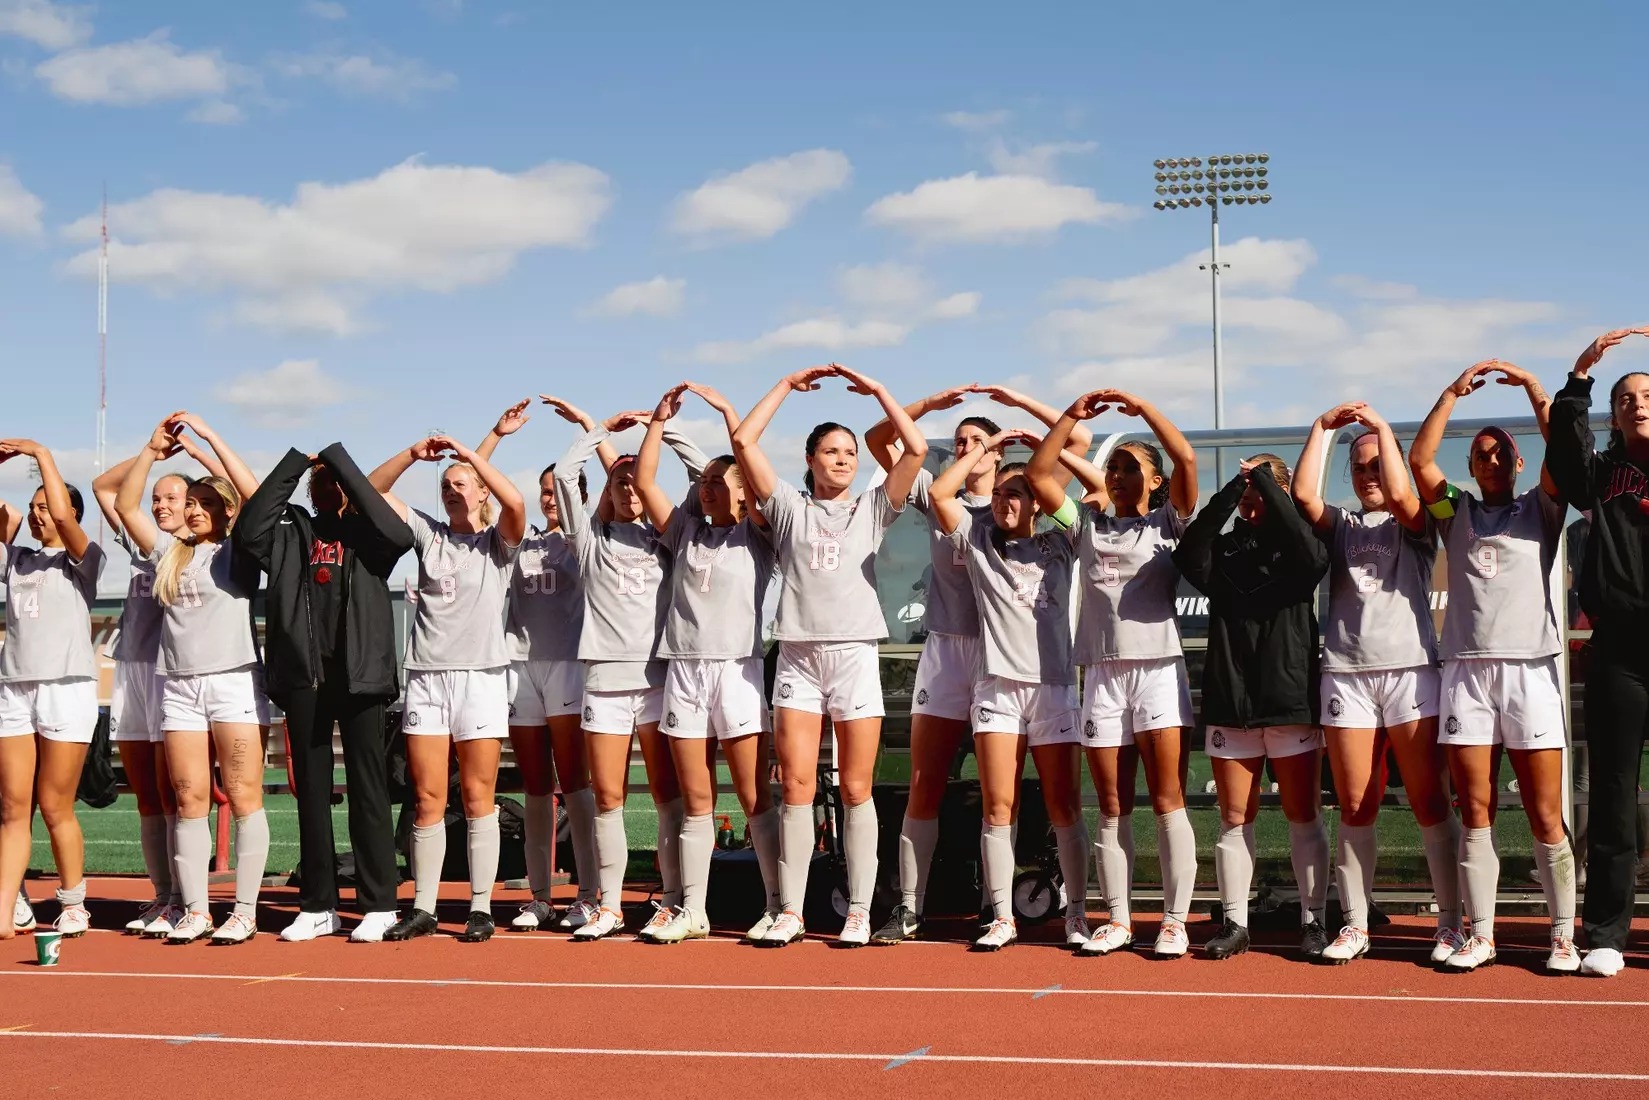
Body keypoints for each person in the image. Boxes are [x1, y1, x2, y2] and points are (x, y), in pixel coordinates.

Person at [862, 383, 1091, 946]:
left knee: (1030, 792)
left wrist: (1019, 411)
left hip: (1019, 660)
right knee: (926, 782)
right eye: (957, 442)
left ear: (998, 453)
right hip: (951, 651)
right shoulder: (943, 500)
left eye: (975, 442)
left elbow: (1078, 441)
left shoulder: (1024, 505)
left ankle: (1059, 909)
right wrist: (927, 407)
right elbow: (880, 438)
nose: (963, 447)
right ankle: (910, 908)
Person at [732, 363, 928, 947]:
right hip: (796, 657)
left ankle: (861, 911)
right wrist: (786, 386)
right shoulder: (790, 508)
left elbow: (914, 447)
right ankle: (789, 910)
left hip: (853, 657)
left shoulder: (873, 507)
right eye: (831, 452)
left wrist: (878, 391)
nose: (843, 459)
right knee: (794, 785)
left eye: (849, 452)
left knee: (855, 788)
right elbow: (743, 440)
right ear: (811, 460)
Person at [1410, 359, 1575, 973]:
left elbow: (1566, 453)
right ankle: (1479, 934)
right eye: (1482, 455)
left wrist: (1537, 393)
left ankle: (1563, 933)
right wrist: (1451, 393)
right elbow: (1422, 464)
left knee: (1543, 811)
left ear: (1521, 462)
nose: (1493, 462)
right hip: (1467, 674)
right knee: (1473, 808)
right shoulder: (1455, 513)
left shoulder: (1543, 507)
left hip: (1530, 669)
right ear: (1472, 468)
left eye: (1502, 453)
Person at [1029, 387, 1199, 958]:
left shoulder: (1168, 523)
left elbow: (1188, 459)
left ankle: (1174, 920)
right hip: (1100, 674)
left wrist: (1143, 409)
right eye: (1115, 467)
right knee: (1111, 804)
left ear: (1154, 481)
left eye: (1133, 468)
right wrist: (1073, 416)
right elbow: (1039, 474)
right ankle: (1120, 919)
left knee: (1167, 797)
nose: (1121, 475)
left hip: (1157, 670)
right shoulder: (1087, 524)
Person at [1293, 403, 1462, 966]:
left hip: (1411, 670)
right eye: (1359, 468)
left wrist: (1384, 431)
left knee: (1427, 799)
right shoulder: (1341, 525)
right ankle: (1356, 924)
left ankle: (1450, 921)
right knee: (1356, 803)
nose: (1369, 477)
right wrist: (1322, 430)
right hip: (1346, 674)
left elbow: (1407, 497)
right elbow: (1304, 499)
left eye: (1376, 466)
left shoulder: (1415, 521)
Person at [237, 442, 413, 943]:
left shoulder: (369, 534)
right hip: (304, 677)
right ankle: (318, 905)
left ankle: (380, 903)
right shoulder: (290, 530)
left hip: (361, 675)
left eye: (337, 481)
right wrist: (298, 463)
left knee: (369, 790)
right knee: (311, 795)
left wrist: (338, 461)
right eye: (322, 482)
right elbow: (250, 528)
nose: (329, 487)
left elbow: (398, 534)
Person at [551, 403, 710, 942]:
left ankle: (670, 900)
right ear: (609, 490)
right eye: (618, 482)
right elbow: (564, 473)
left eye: (635, 481)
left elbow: (703, 477)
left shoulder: (670, 536)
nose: (628, 490)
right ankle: (610, 904)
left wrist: (661, 431)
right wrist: (598, 430)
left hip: (659, 680)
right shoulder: (589, 539)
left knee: (669, 795)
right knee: (608, 797)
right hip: (604, 682)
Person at [927, 428, 1087, 950]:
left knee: (1064, 806)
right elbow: (938, 494)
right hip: (996, 688)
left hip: (1054, 689)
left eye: (1013, 494)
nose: (1002, 502)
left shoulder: (1063, 539)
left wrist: (1039, 435)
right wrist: (984, 448)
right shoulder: (977, 540)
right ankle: (1001, 917)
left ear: (1037, 501)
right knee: (1000, 806)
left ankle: (1078, 915)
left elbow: (1079, 444)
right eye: (997, 495)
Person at [634, 382, 781, 943]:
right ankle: (692, 909)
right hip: (685, 671)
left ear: (744, 492)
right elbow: (646, 482)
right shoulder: (685, 531)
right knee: (696, 799)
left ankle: (776, 904)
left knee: (752, 795)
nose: (711, 489)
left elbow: (745, 455)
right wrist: (658, 422)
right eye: (706, 483)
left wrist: (726, 412)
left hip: (739, 671)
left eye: (722, 482)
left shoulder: (761, 534)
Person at [115, 413, 267, 944]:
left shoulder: (240, 552)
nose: (195, 510)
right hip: (178, 686)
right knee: (186, 797)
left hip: (233, 683)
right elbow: (125, 505)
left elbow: (254, 495)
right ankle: (196, 909)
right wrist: (152, 450)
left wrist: (209, 443)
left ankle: (244, 910)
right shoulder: (168, 554)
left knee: (245, 795)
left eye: (205, 503)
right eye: (191, 503)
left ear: (224, 511)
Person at [368, 432, 526, 943]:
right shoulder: (428, 535)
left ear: (482, 492)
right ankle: (425, 907)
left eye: (464, 484)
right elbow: (371, 490)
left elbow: (517, 502)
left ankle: (481, 907)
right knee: (427, 797)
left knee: (480, 796)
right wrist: (413, 454)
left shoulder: (497, 543)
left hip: (480, 679)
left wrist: (479, 451)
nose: (453, 491)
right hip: (427, 680)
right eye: (447, 486)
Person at [1175, 454, 1332, 962]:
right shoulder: (1223, 550)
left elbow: (1311, 559)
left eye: (1260, 485)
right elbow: (1189, 553)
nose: (1250, 494)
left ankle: (1314, 922)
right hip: (1232, 699)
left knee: (1302, 815)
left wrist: (1268, 484)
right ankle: (1236, 923)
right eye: (1246, 485)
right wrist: (1232, 490)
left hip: (1289, 702)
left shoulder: (1303, 546)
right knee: (1233, 818)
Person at [475, 397, 616, 933]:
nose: (549, 500)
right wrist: (495, 434)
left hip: (569, 667)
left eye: (558, 493)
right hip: (520, 668)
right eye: (544, 495)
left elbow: (621, 481)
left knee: (576, 783)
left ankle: (587, 891)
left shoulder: (587, 541)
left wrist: (590, 427)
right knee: (536, 786)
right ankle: (538, 895)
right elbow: (482, 489)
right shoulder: (519, 544)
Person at [92, 434, 227, 937]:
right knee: (146, 795)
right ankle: (162, 897)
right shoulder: (139, 541)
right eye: (157, 499)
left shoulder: (198, 551)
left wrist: (187, 465)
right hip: (132, 671)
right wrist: (151, 456)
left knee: (180, 792)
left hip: (174, 672)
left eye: (174, 498)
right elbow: (106, 486)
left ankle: (185, 898)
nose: (162, 504)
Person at [1547, 327, 1649, 978]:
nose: (1638, 403)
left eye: (1647, 395)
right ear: (1611, 414)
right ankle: (1607, 932)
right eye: (1626, 398)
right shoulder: (1598, 476)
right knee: (1611, 796)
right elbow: (1563, 450)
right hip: (1619, 652)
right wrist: (1579, 379)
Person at [0, 440, 103, 939]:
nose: (39, 516)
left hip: (66, 687)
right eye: (34, 508)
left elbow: (64, 518)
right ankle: (7, 904)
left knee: (54, 804)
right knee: (11, 808)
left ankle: (73, 901)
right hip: (14, 689)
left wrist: (40, 453)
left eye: (47, 507)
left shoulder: (84, 560)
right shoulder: (14, 559)